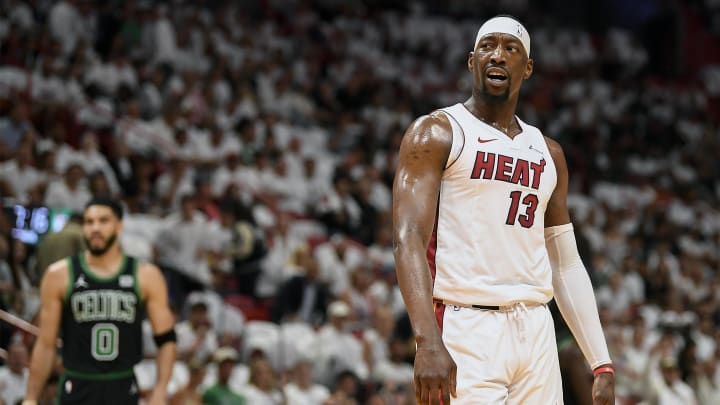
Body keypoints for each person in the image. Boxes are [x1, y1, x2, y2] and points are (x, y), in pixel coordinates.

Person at [392, 15, 615, 404]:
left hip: (535, 326)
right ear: (471, 61)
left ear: (527, 68)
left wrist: (601, 361)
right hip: (467, 324)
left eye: (510, 49)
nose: (497, 55)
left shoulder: (549, 153)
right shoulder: (438, 132)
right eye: (487, 47)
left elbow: (565, 263)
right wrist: (426, 340)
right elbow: (408, 238)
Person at [22, 196, 177, 405]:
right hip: (77, 384)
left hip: (122, 385)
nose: (95, 228)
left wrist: (160, 388)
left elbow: (166, 339)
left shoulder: (145, 275)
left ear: (119, 226)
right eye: (89, 222)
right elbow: (46, 344)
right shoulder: (59, 274)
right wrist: (31, 397)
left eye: (103, 221)